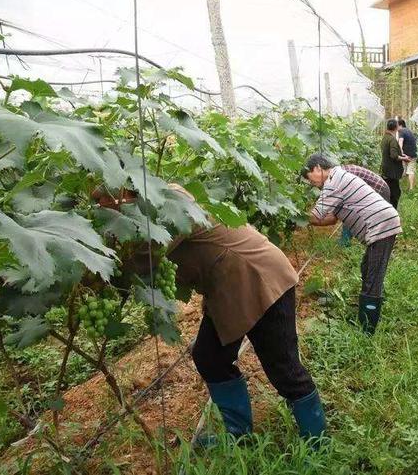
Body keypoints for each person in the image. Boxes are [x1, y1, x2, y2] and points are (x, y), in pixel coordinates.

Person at [96, 184, 326, 446]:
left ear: (121, 192)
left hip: (259, 278)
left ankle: (318, 442)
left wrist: (99, 269)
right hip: (230, 288)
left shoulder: (169, 203)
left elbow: (148, 255)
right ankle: (238, 434)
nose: (99, 206)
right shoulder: (140, 213)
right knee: (209, 356)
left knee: (282, 367)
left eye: (100, 199)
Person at [301, 154, 402, 334]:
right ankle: (367, 312)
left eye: (310, 179)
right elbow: (331, 219)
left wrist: (295, 218)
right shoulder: (338, 177)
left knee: (373, 276)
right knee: (367, 268)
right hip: (382, 224)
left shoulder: (333, 181)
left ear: (317, 168)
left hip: (381, 226)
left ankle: (367, 330)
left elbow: (317, 216)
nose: (312, 184)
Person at [338, 164, 391, 247]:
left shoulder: (342, 176)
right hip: (378, 188)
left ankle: (346, 242)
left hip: (379, 190)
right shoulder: (340, 173)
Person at [380, 119, 409, 208]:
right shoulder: (392, 139)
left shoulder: (385, 138)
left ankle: (387, 211)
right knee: (395, 194)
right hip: (392, 172)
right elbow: (394, 156)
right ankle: (392, 213)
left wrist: (401, 154)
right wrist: (404, 158)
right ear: (396, 127)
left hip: (385, 170)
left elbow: (389, 152)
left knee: (387, 193)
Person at [397, 119, 418, 191]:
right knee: (409, 170)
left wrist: (400, 151)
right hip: (413, 154)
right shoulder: (409, 131)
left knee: (409, 171)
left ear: (400, 125)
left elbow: (400, 141)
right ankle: (410, 187)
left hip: (407, 155)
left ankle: (411, 189)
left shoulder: (401, 131)